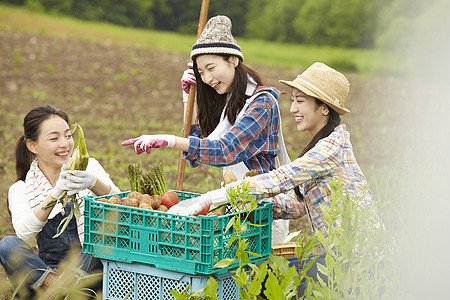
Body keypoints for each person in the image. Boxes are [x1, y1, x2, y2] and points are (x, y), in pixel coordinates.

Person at [167, 63, 374, 296]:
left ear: (324, 108)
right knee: (274, 276)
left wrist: (211, 198)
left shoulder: (332, 146)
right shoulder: (320, 145)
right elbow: (297, 205)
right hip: (340, 258)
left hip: (360, 262)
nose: (293, 108)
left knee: (278, 281)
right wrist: (249, 203)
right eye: (292, 100)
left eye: (300, 101)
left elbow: (283, 177)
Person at [121, 15, 291, 244]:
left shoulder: (262, 102)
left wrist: (168, 140)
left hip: (263, 217)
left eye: (211, 68)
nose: (208, 78)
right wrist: (186, 99)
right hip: (235, 210)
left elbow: (225, 150)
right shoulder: (229, 102)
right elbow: (194, 148)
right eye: (201, 73)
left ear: (233, 59)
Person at [0, 105, 120, 299]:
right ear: (32, 145)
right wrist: (55, 194)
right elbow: (24, 232)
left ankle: (58, 292)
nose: (65, 144)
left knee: (102, 235)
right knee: (7, 245)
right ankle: (59, 288)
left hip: (88, 268)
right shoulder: (22, 188)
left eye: (68, 135)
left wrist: (94, 183)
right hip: (46, 273)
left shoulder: (89, 166)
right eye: (54, 138)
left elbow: (120, 206)